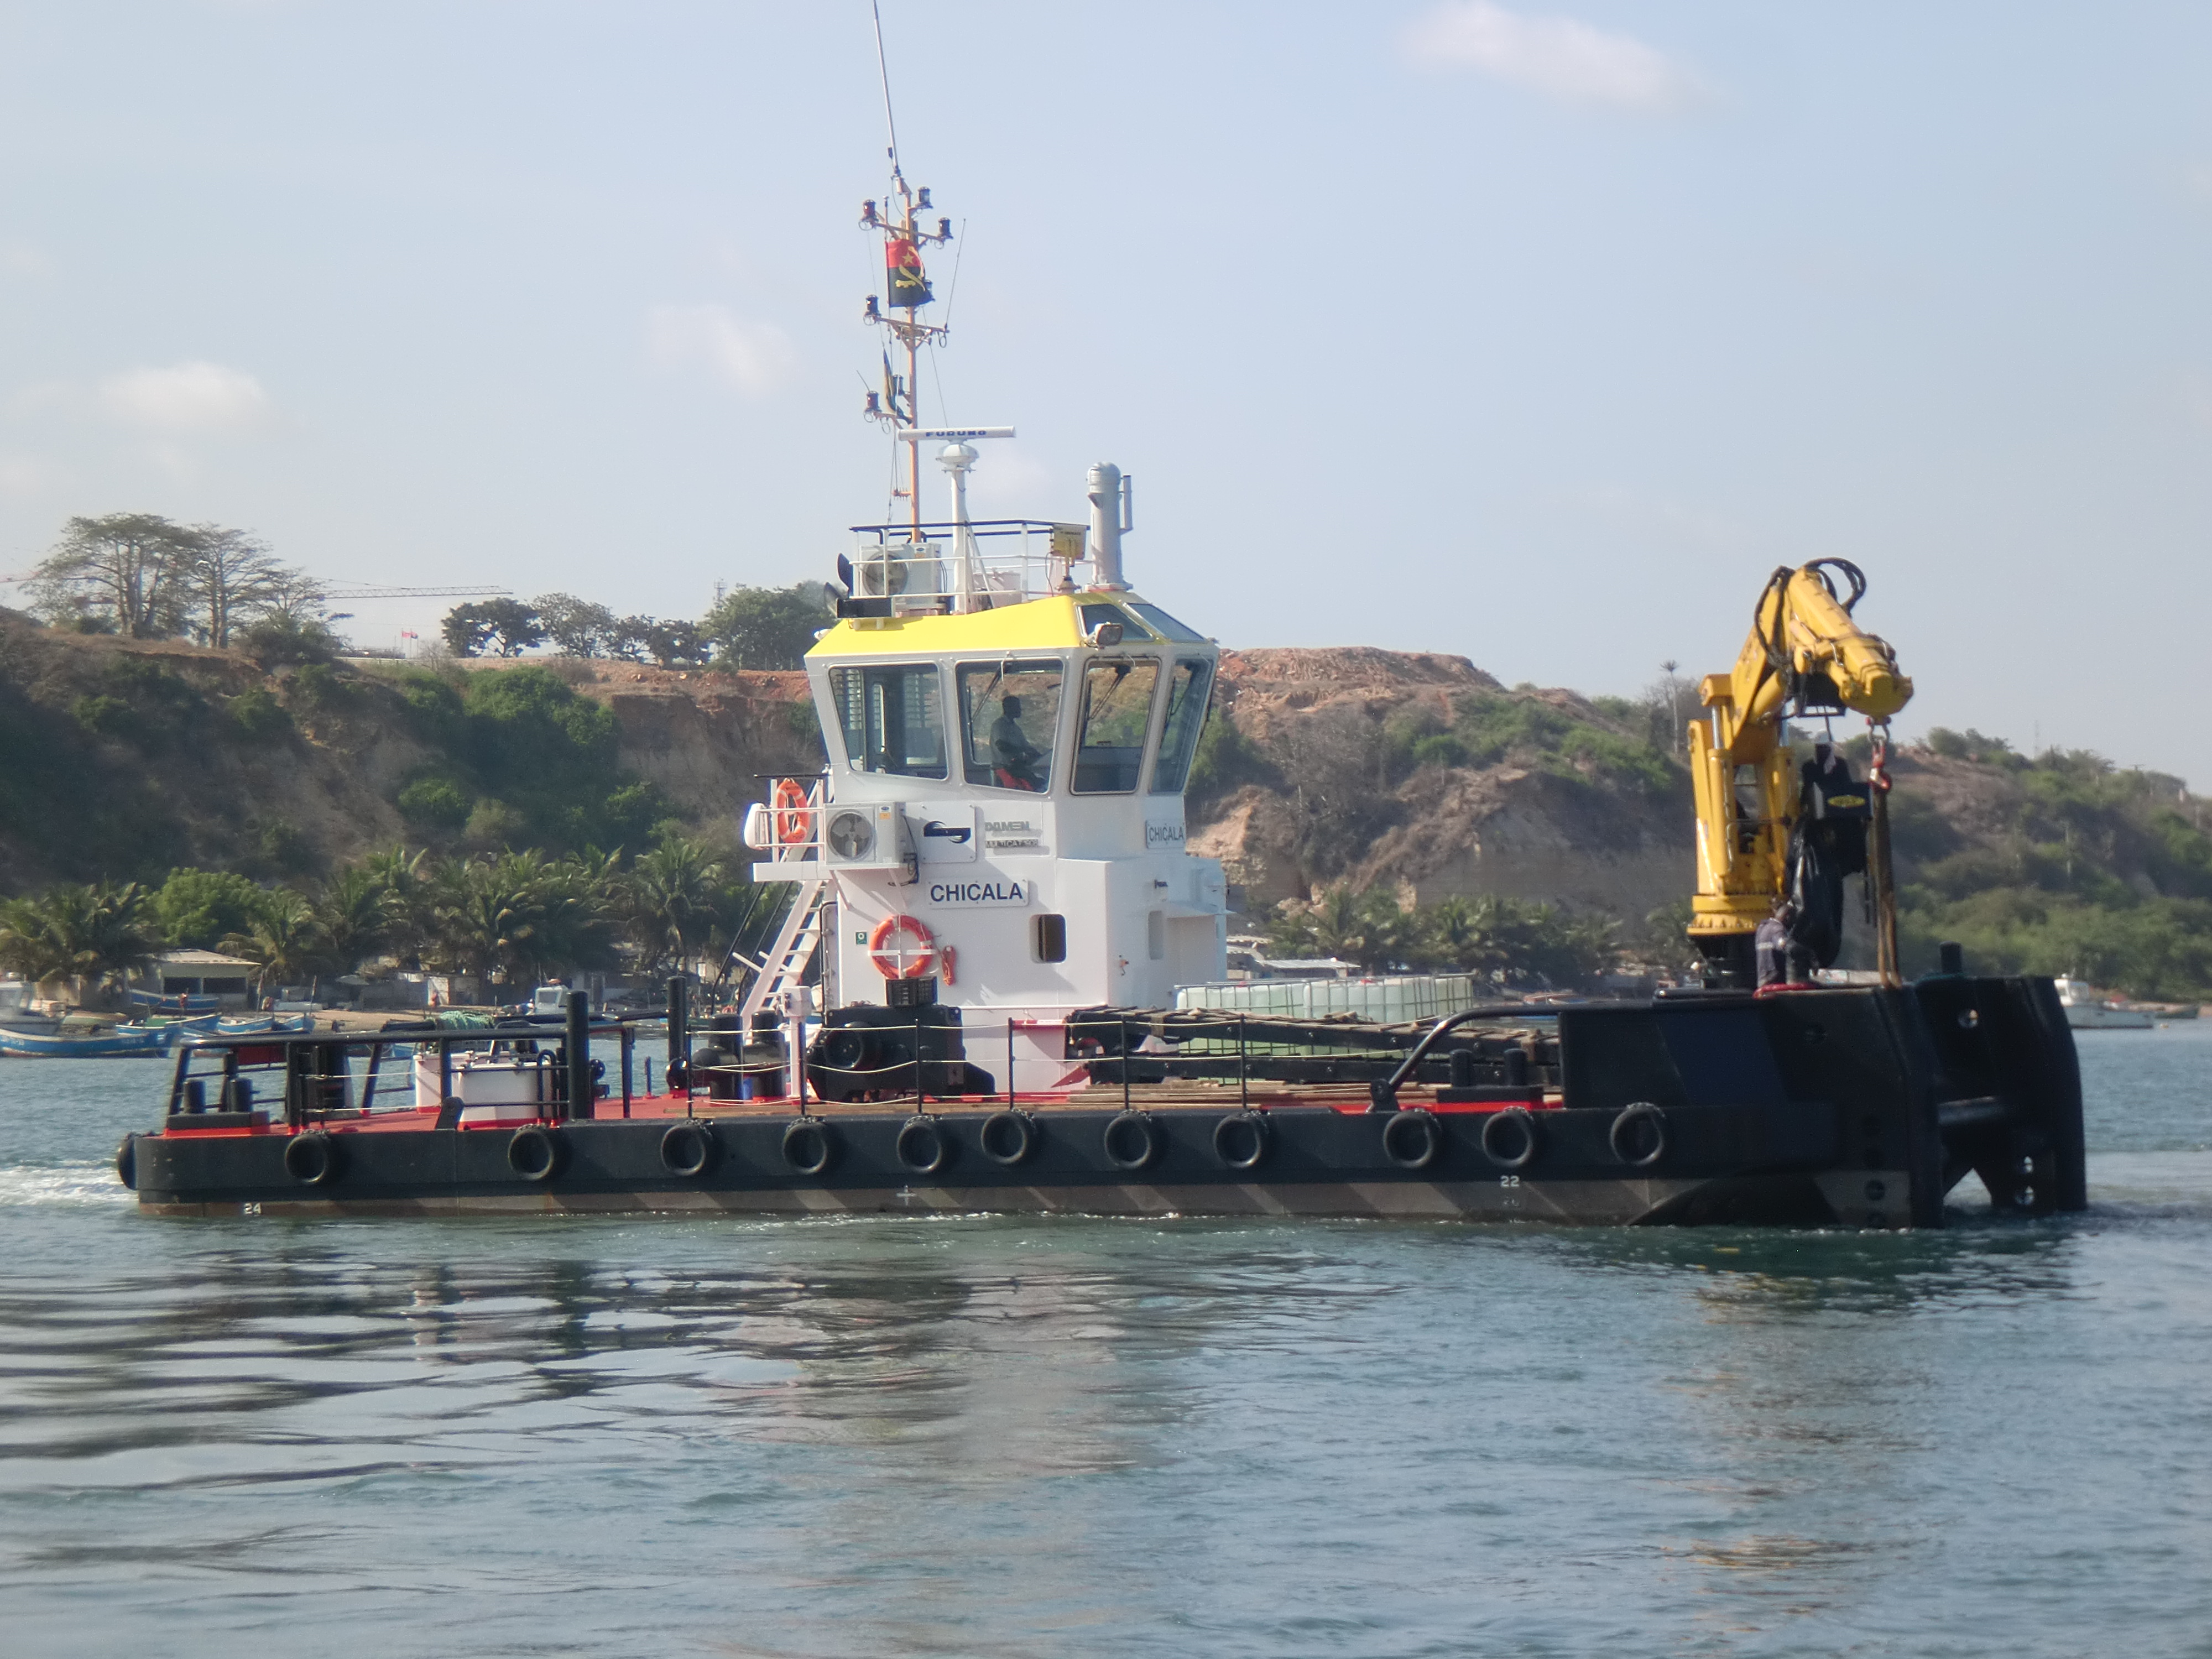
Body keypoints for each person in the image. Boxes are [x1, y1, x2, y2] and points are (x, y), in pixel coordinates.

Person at [989, 694, 1044, 790]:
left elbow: (1026, 747)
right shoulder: (999, 725)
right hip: (1004, 769)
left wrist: (1041, 756)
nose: (1020, 710)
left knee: (1040, 782)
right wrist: (1022, 750)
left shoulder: (1016, 728)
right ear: (1007, 708)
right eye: (1017, 707)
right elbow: (1001, 746)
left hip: (1016, 768)